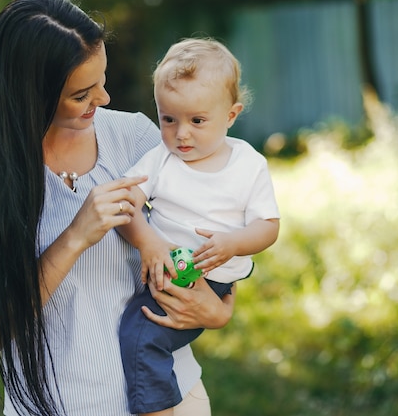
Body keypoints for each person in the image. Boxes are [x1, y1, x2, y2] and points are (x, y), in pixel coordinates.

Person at [0, 1, 236, 415]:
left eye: (102, 81)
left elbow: (215, 223)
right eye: (81, 95)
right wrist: (76, 235)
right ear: (28, 94)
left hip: (171, 400)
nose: (104, 98)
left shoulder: (134, 137)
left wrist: (216, 310)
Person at [117, 38, 281, 416]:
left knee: (141, 335)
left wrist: (234, 243)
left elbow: (268, 225)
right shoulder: (161, 159)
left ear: (231, 115)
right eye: (168, 119)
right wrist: (148, 242)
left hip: (209, 275)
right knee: (142, 329)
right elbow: (126, 205)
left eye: (197, 121)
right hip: (166, 265)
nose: (181, 134)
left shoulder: (248, 164)